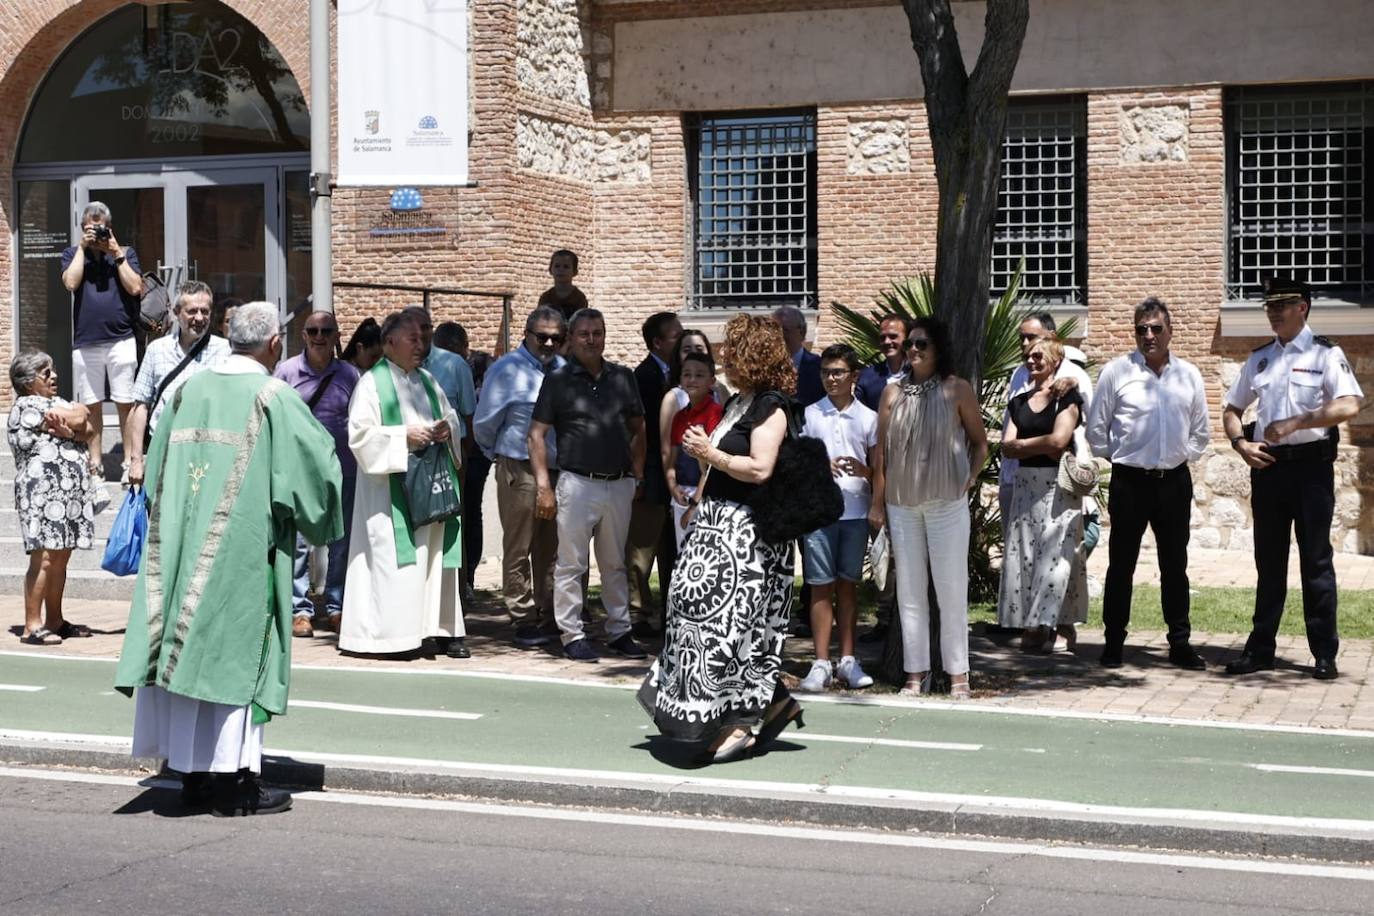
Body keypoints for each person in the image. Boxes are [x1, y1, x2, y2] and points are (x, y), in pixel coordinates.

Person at [113, 301, 344, 817]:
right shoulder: (272, 396)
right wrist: (321, 521)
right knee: (234, 658)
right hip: (242, 554)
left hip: (178, 549)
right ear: (273, 344)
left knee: (190, 658)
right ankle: (235, 784)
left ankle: (192, 777)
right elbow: (320, 469)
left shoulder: (187, 392)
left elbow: (153, 474)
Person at [644, 313, 802, 763]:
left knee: (730, 630)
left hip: (749, 537)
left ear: (752, 355)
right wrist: (698, 500)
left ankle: (741, 722)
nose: (724, 356)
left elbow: (760, 468)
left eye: (732, 349)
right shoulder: (736, 402)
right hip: (715, 528)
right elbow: (717, 464)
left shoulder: (771, 406)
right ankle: (766, 705)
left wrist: (707, 452)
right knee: (689, 611)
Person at [1221, 277, 1365, 680]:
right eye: (1268, 306)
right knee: (1269, 563)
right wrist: (1239, 444)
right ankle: (1261, 649)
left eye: (1281, 305)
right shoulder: (1261, 359)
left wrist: (1300, 421)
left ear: (1302, 307)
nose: (1272, 312)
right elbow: (1232, 408)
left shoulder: (1324, 354)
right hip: (1268, 469)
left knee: (1316, 561)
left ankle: (1324, 653)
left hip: (1311, 469)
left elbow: (1351, 403)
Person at [1086, 298, 1211, 670]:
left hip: (1173, 482)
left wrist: (1176, 457)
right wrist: (1124, 457)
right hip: (1129, 482)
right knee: (1120, 564)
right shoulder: (1116, 372)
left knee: (1175, 564)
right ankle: (1113, 642)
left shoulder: (1189, 375)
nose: (1149, 335)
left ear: (1170, 331)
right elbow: (1097, 430)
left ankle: (1180, 642)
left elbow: (1201, 432)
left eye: (1156, 328)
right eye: (1141, 329)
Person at [869, 317, 988, 699]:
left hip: (946, 504)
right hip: (901, 505)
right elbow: (882, 456)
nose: (914, 351)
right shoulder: (891, 394)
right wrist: (878, 504)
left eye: (922, 344)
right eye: (910, 345)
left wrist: (968, 478)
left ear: (938, 348)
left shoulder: (957, 390)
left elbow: (980, 443)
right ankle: (914, 674)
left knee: (951, 590)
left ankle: (958, 676)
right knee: (910, 593)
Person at [340, 310, 468, 658]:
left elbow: (451, 416)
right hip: (390, 493)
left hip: (429, 484)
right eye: (413, 339)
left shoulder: (427, 380)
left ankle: (441, 629)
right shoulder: (370, 384)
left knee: (435, 555)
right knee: (395, 561)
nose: (421, 345)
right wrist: (403, 437)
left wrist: (447, 429)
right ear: (389, 343)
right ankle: (392, 637)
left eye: (423, 339)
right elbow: (360, 438)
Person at [528, 308, 648, 662]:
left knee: (615, 562)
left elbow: (638, 428)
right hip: (577, 483)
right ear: (572, 338)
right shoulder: (558, 380)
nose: (591, 339)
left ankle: (619, 630)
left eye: (597, 332)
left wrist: (637, 473)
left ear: (605, 335)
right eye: (584, 334)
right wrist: (544, 486)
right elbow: (536, 435)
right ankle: (572, 634)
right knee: (571, 563)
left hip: (619, 483)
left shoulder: (623, 377)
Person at [475, 309, 565, 647]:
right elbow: (485, 422)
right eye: (541, 336)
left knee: (552, 546)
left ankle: (549, 611)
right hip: (518, 466)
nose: (548, 343)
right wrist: (499, 456)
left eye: (556, 337)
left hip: (557, 470)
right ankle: (522, 615)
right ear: (526, 334)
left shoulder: (563, 370)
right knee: (519, 546)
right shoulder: (506, 370)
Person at [996, 337, 1087, 654]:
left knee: (1058, 557)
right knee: (1027, 556)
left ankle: (1050, 625)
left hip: (1057, 485)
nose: (1031, 360)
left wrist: (1023, 445)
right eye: (1028, 356)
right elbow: (1006, 445)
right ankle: (1042, 623)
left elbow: (1060, 441)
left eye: (1038, 355)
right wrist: (1035, 445)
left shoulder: (1067, 397)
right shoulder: (1019, 402)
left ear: (1055, 358)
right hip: (1025, 484)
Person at [274, 311, 361, 638]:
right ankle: (300, 610)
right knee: (299, 543)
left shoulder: (350, 375)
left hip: (343, 468)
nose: (319, 336)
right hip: (300, 469)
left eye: (326, 330)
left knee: (342, 540)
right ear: (304, 335)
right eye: (313, 330)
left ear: (338, 335)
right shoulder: (286, 372)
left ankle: (336, 606)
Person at [796, 344, 878, 693]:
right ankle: (819, 662)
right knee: (819, 585)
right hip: (819, 511)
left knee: (847, 585)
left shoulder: (868, 418)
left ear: (853, 376)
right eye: (826, 372)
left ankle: (847, 659)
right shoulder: (812, 414)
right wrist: (820, 466)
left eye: (838, 373)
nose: (831, 379)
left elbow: (880, 469)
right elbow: (797, 462)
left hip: (856, 511)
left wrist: (865, 471)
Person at [8, 351, 96, 645]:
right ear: (28, 382)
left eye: (53, 370)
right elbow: (79, 415)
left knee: (60, 557)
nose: (54, 376)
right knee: (44, 558)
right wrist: (76, 419)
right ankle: (32, 626)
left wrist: (74, 425)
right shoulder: (25, 406)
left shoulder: (52, 403)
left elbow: (90, 426)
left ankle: (55, 620)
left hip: (65, 494)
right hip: (41, 494)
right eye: (46, 373)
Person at [60, 201, 144, 479]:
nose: (95, 234)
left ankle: (129, 462)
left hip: (121, 339)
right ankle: (95, 464)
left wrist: (116, 252)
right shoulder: (73, 253)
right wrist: (83, 249)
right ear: (82, 229)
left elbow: (135, 287)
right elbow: (71, 283)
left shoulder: (126, 253)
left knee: (125, 402)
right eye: (89, 228)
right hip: (86, 343)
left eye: (100, 228)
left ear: (110, 228)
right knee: (91, 404)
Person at [126, 281, 231, 488]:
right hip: (163, 449)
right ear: (176, 312)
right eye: (192, 311)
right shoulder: (156, 350)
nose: (199, 318)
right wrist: (136, 460)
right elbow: (140, 407)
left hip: (207, 452)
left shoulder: (226, 350)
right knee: (161, 516)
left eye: (205, 311)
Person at [999, 312, 1092, 541]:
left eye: (1031, 337)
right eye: (1021, 338)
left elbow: (1062, 438)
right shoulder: (1019, 373)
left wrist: (1023, 445)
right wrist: (1027, 446)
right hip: (1016, 475)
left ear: (1052, 338)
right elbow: (1009, 437)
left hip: (1059, 475)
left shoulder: (1073, 375)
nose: (1024, 344)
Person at [627, 310, 682, 638]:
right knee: (641, 551)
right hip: (649, 476)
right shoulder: (643, 376)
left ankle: (671, 612)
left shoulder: (684, 375)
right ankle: (637, 613)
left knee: (673, 553)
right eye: (676, 335)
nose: (682, 339)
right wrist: (639, 476)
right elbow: (639, 430)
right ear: (657, 342)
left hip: (676, 479)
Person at [663, 351, 723, 550]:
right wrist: (673, 488)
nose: (692, 379)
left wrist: (695, 505)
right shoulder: (680, 416)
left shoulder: (715, 413)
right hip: (681, 496)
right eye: (687, 374)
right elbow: (671, 459)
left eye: (699, 375)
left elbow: (711, 466)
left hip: (705, 496)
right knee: (683, 556)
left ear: (711, 380)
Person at [406, 306, 477, 464]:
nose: (420, 333)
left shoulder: (455, 364)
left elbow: (469, 415)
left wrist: (463, 454)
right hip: (408, 460)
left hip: (448, 455)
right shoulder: (396, 368)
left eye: (425, 327)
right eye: (413, 327)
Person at [461, 349, 493, 596]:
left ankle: (467, 576)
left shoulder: (480, 369)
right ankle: (466, 577)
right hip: (475, 453)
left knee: (468, 513)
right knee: (472, 513)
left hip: (471, 453)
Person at [856, 314, 913, 411]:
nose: (887, 341)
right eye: (882, 338)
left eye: (893, 336)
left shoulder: (919, 373)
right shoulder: (867, 377)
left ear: (906, 339)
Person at [772, 306, 823, 407]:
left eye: (785, 330)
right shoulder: (763, 367)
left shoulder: (820, 367)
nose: (779, 336)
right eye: (774, 330)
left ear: (802, 332)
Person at [537, 249, 588, 321]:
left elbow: (581, 322)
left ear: (575, 272)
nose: (561, 270)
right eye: (557, 266)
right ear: (550, 270)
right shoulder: (546, 297)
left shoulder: (579, 298)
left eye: (566, 267)